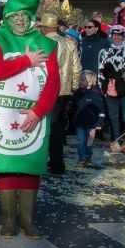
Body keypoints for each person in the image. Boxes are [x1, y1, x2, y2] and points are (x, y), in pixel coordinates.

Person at [0, 0, 59, 239]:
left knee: (29, 165)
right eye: (15, 16)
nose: (20, 20)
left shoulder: (46, 44)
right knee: (6, 165)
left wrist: (38, 112)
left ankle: (27, 221)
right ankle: (8, 221)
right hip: (3, 115)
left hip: (34, 115)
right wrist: (26, 61)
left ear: (31, 18)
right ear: (7, 17)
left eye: (25, 16)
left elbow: (53, 84)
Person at [38, 13, 80, 175]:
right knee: (58, 127)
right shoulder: (69, 43)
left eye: (41, 26)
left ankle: (54, 164)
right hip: (64, 91)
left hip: (45, 90)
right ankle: (56, 162)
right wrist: (73, 88)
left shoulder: (42, 41)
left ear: (45, 27)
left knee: (46, 128)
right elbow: (76, 68)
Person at [98, 25, 125, 142]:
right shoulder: (105, 52)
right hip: (110, 88)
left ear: (124, 36)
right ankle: (115, 141)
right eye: (114, 35)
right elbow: (100, 70)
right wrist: (101, 87)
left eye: (119, 35)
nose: (116, 37)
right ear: (111, 36)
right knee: (113, 117)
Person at [68, 70, 106, 167]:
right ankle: (81, 158)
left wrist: (100, 123)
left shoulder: (95, 94)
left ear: (90, 82)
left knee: (89, 142)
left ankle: (89, 156)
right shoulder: (77, 93)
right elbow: (73, 106)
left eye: (83, 80)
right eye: (79, 79)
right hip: (80, 123)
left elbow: (101, 110)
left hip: (92, 124)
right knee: (80, 141)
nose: (80, 81)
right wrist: (69, 107)